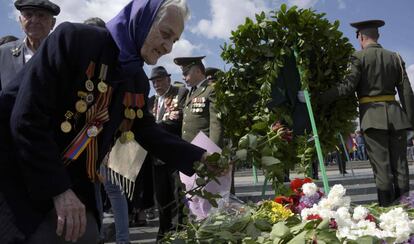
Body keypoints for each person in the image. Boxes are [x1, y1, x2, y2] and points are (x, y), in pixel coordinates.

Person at [0, 0, 211, 243]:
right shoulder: (75, 40)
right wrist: (58, 190)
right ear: (140, 21)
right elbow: (26, 117)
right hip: (19, 173)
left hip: (73, 183)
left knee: (85, 234)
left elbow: (145, 130)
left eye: (174, 40)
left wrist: (200, 159)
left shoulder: (136, 79)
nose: (168, 47)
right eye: (165, 35)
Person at [321, 19, 414, 206]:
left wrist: (319, 97)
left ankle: (388, 212)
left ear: (361, 37)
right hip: (397, 118)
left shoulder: (358, 57)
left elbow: (347, 87)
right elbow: (406, 93)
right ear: (377, 36)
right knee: (401, 168)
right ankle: (407, 212)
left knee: (382, 169)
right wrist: (411, 122)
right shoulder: (395, 57)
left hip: (373, 118)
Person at [174, 56, 229, 219]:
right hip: (190, 151)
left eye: (186, 73)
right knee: (194, 195)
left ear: (198, 70)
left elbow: (216, 124)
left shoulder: (210, 90)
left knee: (208, 196)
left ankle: (211, 226)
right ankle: (200, 225)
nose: (183, 77)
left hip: (204, 152)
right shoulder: (190, 92)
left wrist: (213, 153)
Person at [148, 66, 189, 240]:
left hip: (174, 155)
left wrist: (152, 129)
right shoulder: (150, 102)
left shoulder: (179, 94)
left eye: (159, 80)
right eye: (154, 81)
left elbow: (174, 122)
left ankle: (179, 233)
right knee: (161, 198)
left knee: (177, 197)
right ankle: (164, 233)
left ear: (168, 80)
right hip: (156, 158)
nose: (156, 84)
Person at [0, 0, 59, 91]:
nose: (34, 20)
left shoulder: (63, 53)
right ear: (20, 21)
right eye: (28, 15)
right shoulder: (3, 53)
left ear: (52, 23)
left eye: (41, 15)